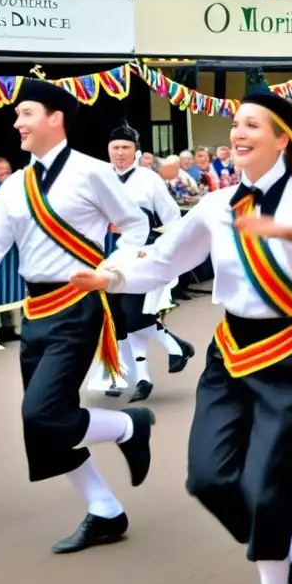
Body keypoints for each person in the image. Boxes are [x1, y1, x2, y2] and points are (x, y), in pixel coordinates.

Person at [71, 87, 292, 584]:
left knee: (269, 490)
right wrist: (110, 278)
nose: (239, 134)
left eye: (253, 126)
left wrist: (281, 232)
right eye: (236, 125)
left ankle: (278, 581)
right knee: (208, 478)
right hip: (232, 354)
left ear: (282, 139)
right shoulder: (218, 205)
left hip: (290, 353)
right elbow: (163, 261)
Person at [0, 79, 155, 554]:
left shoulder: (92, 172)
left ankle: (127, 428)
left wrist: (111, 270)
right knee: (42, 429)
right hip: (36, 311)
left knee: (41, 412)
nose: (16, 122)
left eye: (26, 114)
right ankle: (105, 510)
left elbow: (136, 225)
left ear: (55, 118)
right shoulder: (16, 186)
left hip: (80, 306)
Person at [104, 122, 191, 403]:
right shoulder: (100, 178)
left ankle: (174, 347)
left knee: (134, 314)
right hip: (114, 256)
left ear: (136, 152)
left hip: (144, 254)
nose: (120, 153)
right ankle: (139, 377)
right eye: (115, 147)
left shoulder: (149, 179)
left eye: (126, 148)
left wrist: (163, 251)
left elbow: (172, 217)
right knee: (117, 319)